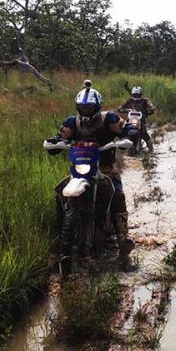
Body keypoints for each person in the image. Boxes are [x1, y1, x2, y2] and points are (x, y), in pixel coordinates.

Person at [46, 86, 136, 269]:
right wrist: (54, 143)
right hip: (79, 168)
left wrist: (126, 137)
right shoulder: (72, 122)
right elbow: (60, 137)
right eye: (82, 107)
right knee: (60, 191)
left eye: (89, 107)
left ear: (97, 106)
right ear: (78, 107)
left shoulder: (108, 118)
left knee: (118, 194)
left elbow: (127, 129)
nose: (85, 110)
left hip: (104, 166)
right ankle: (58, 242)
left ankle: (123, 244)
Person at [118, 86, 156, 151]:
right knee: (123, 129)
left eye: (138, 95)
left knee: (145, 135)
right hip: (130, 120)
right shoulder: (129, 101)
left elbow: (152, 107)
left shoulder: (145, 100)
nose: (136, 96)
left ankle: (151, 150)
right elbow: (120, 107)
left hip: (141, 120)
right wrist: (126, 110)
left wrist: (148, 110)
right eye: (135, 95)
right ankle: (121, 147)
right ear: (132, 94)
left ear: (141, 94)